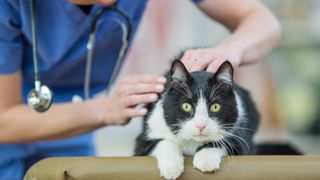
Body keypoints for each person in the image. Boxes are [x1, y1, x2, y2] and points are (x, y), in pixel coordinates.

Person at [0, 0, 280, 179]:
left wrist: (232, 49)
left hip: (71, 134)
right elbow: (3, 121)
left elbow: (263, 21)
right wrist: (103, 110)